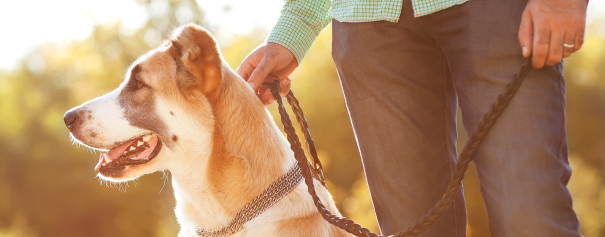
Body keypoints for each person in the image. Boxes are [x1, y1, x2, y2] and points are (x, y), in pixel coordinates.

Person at [236, 0, 587, 236]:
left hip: (495, 12)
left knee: (530, 216)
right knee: (413, 229)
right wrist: (295, 24)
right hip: (368, 20)